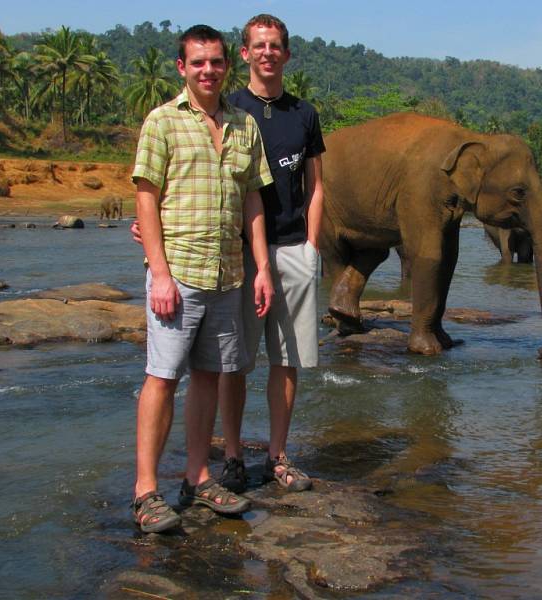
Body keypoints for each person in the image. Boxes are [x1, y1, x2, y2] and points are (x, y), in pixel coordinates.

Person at [131, 24, 274, 534]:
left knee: (210, 376)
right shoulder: (163, 122)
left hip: (229, 274)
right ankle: (146, 491)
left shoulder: (243, 124)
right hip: (180, 273)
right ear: (182, 67)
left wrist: (260, 269)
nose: (208, 70)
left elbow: (253, 200)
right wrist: (161, 274)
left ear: (226, 65)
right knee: (163, 378)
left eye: (216, 62)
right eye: (198, 63)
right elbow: (146, 198)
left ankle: (197, 476)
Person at [218, 13, 325, 494]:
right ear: (245, 53)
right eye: (258, 46)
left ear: (286, 54)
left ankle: (278, 457)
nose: (267, 53)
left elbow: (316, 186)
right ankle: (235, 457)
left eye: (275, 46)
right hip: (238, 255)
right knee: (234, 362)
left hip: (292, 248)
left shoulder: (303, 114)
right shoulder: (227, 108)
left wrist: (312, 246)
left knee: (288, 360)